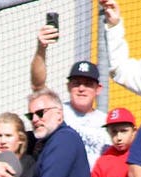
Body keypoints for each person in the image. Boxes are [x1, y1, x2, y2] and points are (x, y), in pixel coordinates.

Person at [30, 23, 109, 168]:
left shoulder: (106, 122)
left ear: (98, 89)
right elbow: (38, 85)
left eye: (88, 84)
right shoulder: (57, 112)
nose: (81, 88)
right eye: (76, 83)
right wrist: (41, 48)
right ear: (68, 86)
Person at [18, 90, 92, 177]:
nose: (35, 120)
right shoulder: (45, 139)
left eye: (40, 113)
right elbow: (10, 139)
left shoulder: (64, 138)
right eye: (30, 116)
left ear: (59, 114)